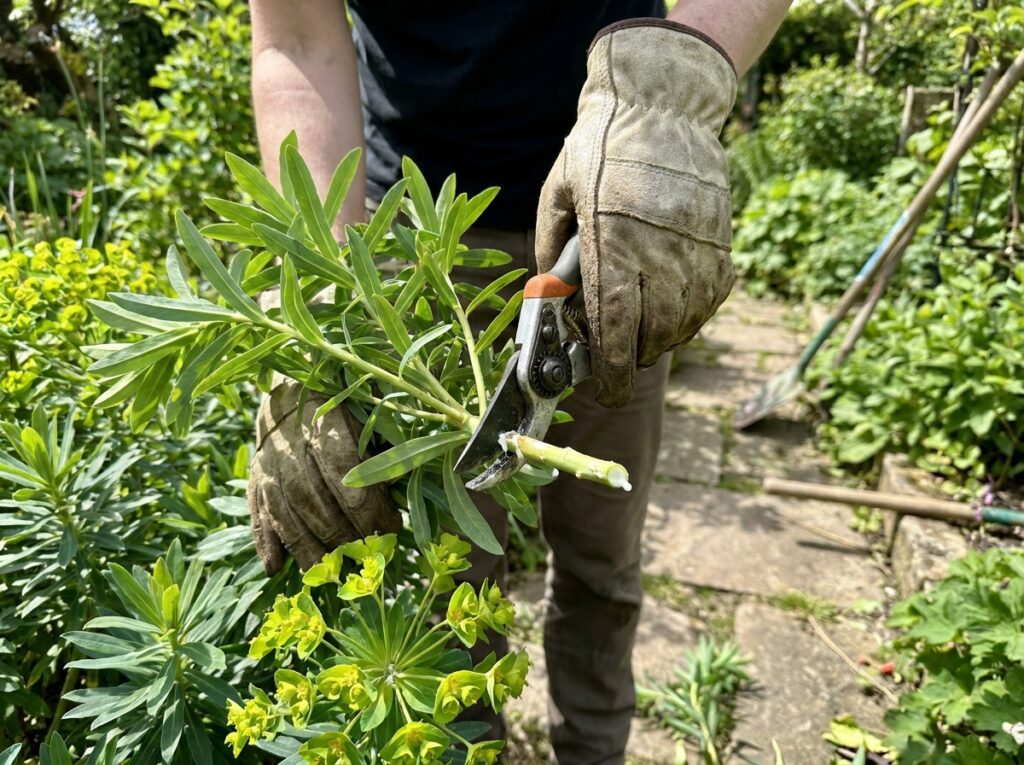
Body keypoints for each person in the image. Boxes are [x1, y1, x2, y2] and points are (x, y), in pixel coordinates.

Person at [245, 2, 791, 763]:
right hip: (410, 239)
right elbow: (298, 41)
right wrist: (317, 301)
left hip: (618, 207)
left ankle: (593, 748)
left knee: (603, 557)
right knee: (446, 586)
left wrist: (668, 92)